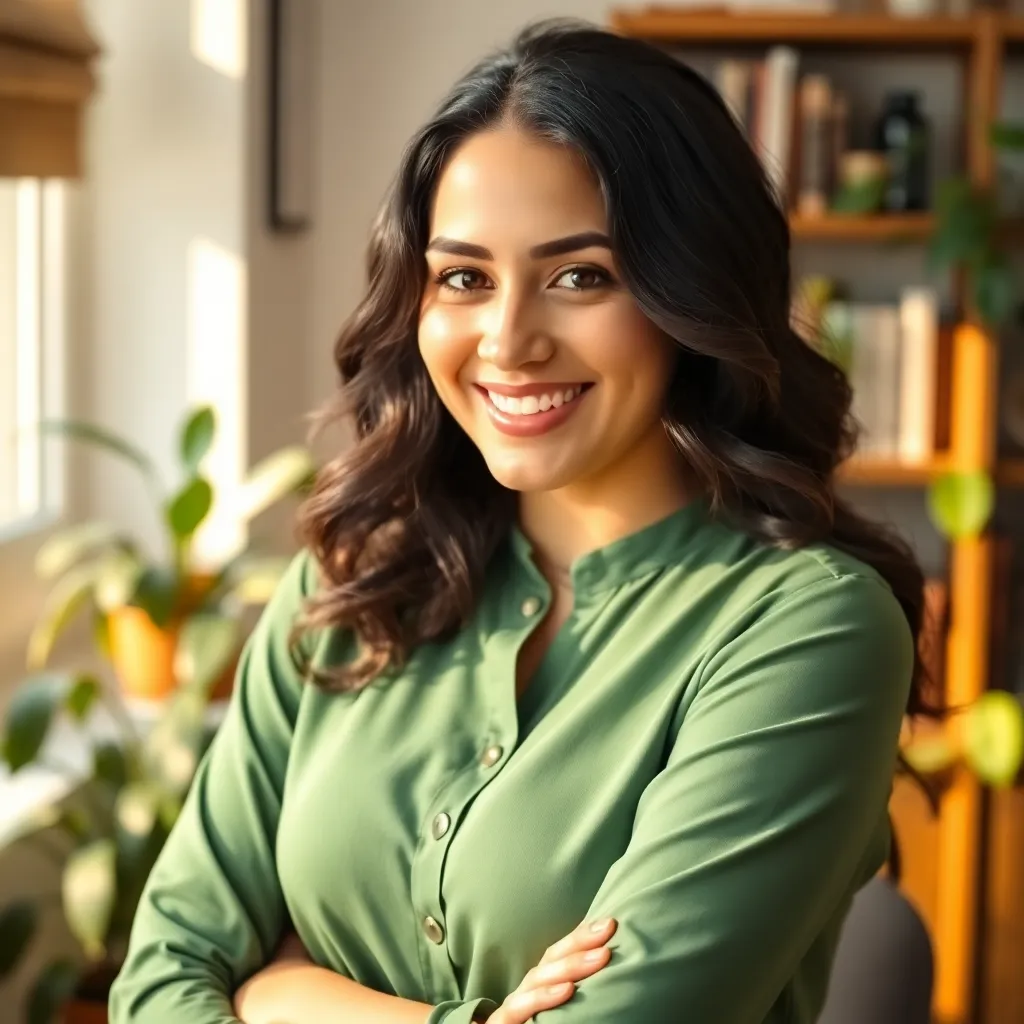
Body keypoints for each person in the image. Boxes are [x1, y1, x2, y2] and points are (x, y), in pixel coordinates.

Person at [109, 17, 928, 1024]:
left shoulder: (806, 629)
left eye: (580, 275)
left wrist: (280, 988)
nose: (507, 340)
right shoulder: (354, 577)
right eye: (463, 277)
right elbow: (155, 981)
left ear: (690, 291)